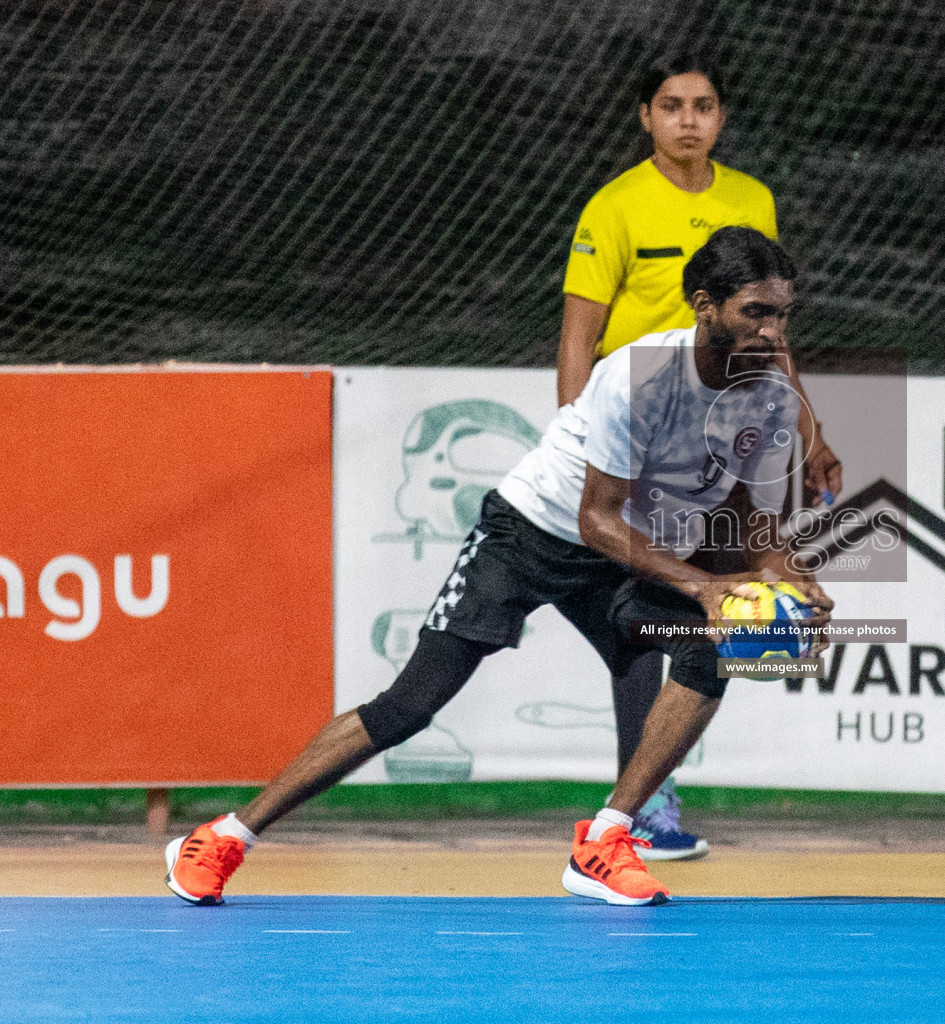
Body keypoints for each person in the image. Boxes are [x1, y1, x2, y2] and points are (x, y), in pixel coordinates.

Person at [165, 227, 833, 907]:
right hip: (529, 536)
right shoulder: (640, 378)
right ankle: (225, 836)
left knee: (709, 648)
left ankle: (603, 841)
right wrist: (705, 585)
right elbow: (594, 517)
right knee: (410, 706)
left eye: (781, 314)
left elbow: (745, 515)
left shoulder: (770, 396)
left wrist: (783, 577)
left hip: (620, 553)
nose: (773, 331)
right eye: (756, 312)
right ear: (703, 305)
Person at [558, 50, 842, 860]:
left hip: (716, 427)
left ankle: (638, 800)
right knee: (653, 607)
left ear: (721, 117)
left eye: (704, 105)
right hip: (637, 433)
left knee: (700, 603)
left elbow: (764, 317)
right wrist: (579, 432)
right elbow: (580, 329)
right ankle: (640, 806)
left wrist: (809, 428)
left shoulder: (752, 198)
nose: (689, 119)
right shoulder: (614, 206)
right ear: (645, 117)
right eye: (672, 105)